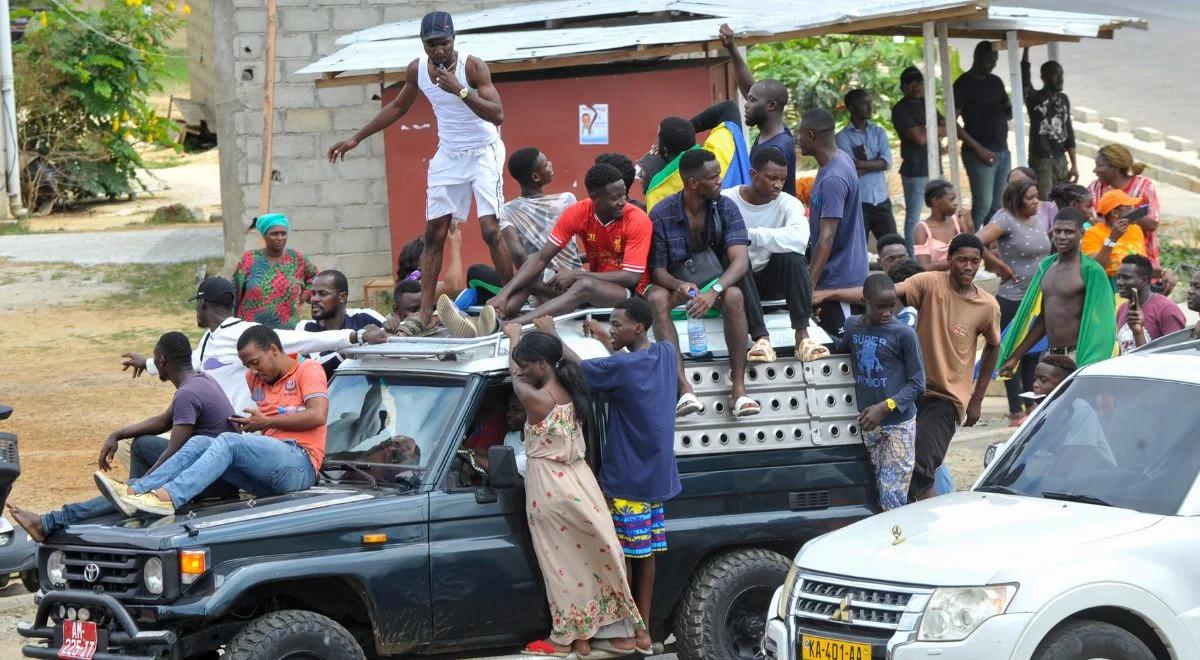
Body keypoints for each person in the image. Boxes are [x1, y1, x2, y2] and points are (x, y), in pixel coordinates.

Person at [328, 11, 510, 337]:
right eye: (431, 45)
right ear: (423, 44)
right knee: (434, 234)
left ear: (453, 40)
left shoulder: (472, 66)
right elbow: (398, 107)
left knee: (489, 229)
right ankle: (425, 314)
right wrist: (357, 137)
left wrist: (460, 90)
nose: (438, 51)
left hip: (484, 151)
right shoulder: (418, 70)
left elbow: (497, 114)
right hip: (448, 156)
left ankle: (511, 303)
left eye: (443, 43)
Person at [535, 298, 676, 651]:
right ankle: (642, 631)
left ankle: (632, 632)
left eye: (616, 324)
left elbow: (581, 370)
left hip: (627, 479)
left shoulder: (624, 368)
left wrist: (552, 337)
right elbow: (624, 369)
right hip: (656, 479)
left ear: (638, 328)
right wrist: (604, 339)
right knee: (645, 557)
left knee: (621, 558)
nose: (611, 329)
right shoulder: (666, 354)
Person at [501, 325, 649, 658]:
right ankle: (609, 633)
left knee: (561, 567)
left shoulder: (536, 399)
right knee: (596, 558)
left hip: (550, 487)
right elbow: (567, 360)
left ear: (542, 363)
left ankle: (564, 638)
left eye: (527, 363)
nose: (522, 369)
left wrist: (513, 337)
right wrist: (552, 335)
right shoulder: (575, 388)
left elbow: (514, 376)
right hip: (582, 482)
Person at [8, 333, 236, 541]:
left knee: (131, 489)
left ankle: (50, 521)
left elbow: (174, 451)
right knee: (142, 445)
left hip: (211, 479)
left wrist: (139, 487)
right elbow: (163, 422)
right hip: (216, 470)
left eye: (155, 357)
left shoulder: (188, 393)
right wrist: (116, 434)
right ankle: (136, 508)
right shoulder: (201, 381)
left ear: (162, 361)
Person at [97, 326, 329, 517]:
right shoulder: (254, 379)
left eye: (256, 362)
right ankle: (135, 490)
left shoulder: (308, 370)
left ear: (273, 350)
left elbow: (318, 415)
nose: (252, 370)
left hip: (301, 465)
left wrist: (266, 422)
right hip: (267, 476)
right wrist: (250, 424)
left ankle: (168, 497)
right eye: (247, 365)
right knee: (201, 441)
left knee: (228, 441)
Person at [121, 277, 387, 413]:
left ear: (202, 304)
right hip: (213, 430)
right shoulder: (207, 340)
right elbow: (188, 363)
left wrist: (357, 337)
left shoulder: (246, 333)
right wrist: (147, 363)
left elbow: (303, 341)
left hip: (243, 431)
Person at [646, 149, 757, 417]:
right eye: (714, 176)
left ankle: (739, 391)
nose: (720, 180)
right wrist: (677, 285)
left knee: (734, 296)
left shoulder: (726, 206)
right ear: (693, 183)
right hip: (681, 289)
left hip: (716, 285)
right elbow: (657, 270)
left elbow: (740, 261)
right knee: (656, 298)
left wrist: (714, 291)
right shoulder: (662, 213)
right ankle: (684, 390)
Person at [478, 164, 653, 332]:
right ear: (595, 198)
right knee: (533, 273)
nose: (623, 202)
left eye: (624, 195)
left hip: (627, 295)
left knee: (585, 285)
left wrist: (577, 274)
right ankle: (494, 315)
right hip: (591, 287)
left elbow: (631, 277)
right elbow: (541, 258)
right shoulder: (577, 212)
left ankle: (508, 326)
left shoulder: (637, 220)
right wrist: (504, 293)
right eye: (615, 198)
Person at [835, 273, 925, 510]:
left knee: (891, 495)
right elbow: (842, 351)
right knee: (876, 489)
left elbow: (917, 384)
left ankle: (896, 542)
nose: (887, 312)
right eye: (880, 307)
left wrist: (885, 407)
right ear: (864, 300)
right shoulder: (852, 325)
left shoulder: (904, 334)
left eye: (891, 306)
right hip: (869, 424)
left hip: (898, 424)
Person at [999, 208, 1118, 375]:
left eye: (1069, 232)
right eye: (1058, 231)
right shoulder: (1046, 267)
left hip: (1079, 357)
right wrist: (1015, 357)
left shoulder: (1091, 271)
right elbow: (1043, 320)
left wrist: (1092, 363)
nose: (1062, 236)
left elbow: (1104, 322)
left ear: (1081, 233)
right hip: (1051, 356)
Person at [721, 146, 813, 361]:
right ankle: (762, 339)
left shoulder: (788, 203)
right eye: (772, 178)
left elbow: (800, 239)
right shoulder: (727, 200)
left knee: (793, 257)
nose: (778, 185)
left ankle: (802, 335)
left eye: (782, 179)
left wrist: (750, 235)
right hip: (739, 283)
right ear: (754, 174)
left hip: (772, 281)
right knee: (737, 259)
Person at [977, 177, 1052, 425]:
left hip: (1038, 298)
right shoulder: (1005, 219)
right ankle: (1015, 410)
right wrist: (998, 264)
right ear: (1016, 199)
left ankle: (1030, 404)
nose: (1035, 202)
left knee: (1033, 353)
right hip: (1013, 298)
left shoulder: (1037, 217)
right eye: (1030, 198)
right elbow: (976, 241)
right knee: (1010, 352)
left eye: (1036, 196)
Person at [800, 108, 869, 338]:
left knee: (844, 347)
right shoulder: (837, 160)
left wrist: (809, 286)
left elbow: (827, 236)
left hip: (840, 281)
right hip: (834, 277)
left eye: (800, 134)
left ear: (811, 135)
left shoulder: (833, 178)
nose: (797, 140)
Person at [717, 23, 798, 196]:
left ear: (771, 106)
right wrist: (731, 47)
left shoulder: (777, 149)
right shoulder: (775, 130)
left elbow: (767, 197)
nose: (746, 103)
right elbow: (749, 88)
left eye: (751, 101)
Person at [495, 147, 582, 304]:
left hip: (539, 288)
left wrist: (536, 289)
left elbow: (518, 254)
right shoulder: (567, 200)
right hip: (574, 282)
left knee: (477, 273)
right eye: (546, 163)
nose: (550, 164)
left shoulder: (506, 211)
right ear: (535, 176)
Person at [642, 102, 750, 211]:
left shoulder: (656, 190)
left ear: (665, 151)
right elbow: (729, 107)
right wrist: (685, 130)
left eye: (658, 140)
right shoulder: (717, 154)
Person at [954, 41, 1012, 227]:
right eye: (989, 60)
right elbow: (951, 123)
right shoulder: (963, 84)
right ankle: (970, 247)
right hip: (977, 153)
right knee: (983, 205)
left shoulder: (995, 81)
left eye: (995, 60)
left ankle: (988, 249)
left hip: (1002, 150)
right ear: (977, 57)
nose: (992, 64)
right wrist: (979, 149)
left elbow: (1007, 109)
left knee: (997, 206)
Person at [891, 66, 945, 251]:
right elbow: (920, 139)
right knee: (914, 218)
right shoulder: (900, 109)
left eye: (919, 83)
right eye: (910, 84)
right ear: (903, 87)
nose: (916, 87)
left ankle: (938, 254)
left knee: (941, 213)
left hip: (936, 168)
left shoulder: (927, 103)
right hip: (915, 171)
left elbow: (947, 128)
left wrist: (925, 128)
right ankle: (913, 261)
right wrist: (931, 129)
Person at [232, 213, 318, 329]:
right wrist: (231, 323)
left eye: (283, 233)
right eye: (274, 234)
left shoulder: (297, 258)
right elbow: (234, 290)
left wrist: (304, 296)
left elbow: (317, 278)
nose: (280, 238)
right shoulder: (250, 259)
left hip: (286, 329)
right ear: (264, 235)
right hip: (250, 330)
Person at [297, 270, 387, 379]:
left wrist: (395, 327)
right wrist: (361, 340)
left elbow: (397, 338)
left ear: (342, 297)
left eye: (322, 294)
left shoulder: (366, 317)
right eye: (313, 293)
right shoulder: (305, 328)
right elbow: (316, 370)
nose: (313, 299)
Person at [1088, 143, 1162, 271]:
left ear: (1115, 168)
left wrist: (1125, 210)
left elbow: (1152, 224)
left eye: (1100, 165)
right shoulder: (1095, 188)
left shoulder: (1143, 186)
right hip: (1107, 267)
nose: (1095, 170)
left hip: (1141, 265)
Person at [836, 89, 896, 242]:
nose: (870, 107)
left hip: (882, 200)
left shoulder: (879, 132)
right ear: (851, 108)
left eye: (870, 103)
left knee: (892, 245)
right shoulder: (842, 137)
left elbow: (886, 162)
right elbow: (850, 169)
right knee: (857, 249)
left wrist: (861, 164)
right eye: (865, 104)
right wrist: (875, 163)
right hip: (859, 203)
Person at [1021, 48, 1078, 199]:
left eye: (1062, 75)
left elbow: (1069, 132)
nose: (1060, 79)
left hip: (1061, 159)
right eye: (1056, 75)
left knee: (1062, 200)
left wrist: (1074, 164)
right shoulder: (1034, 98)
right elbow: (1024, 79)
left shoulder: (1064, 99)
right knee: (1045, 202)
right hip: (1042, 161)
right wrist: (1026, 48)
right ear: (1044, 77)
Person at [1115, 254, 1185, 353]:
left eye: (1126, 278)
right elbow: (1123, 350)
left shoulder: (1167, 309)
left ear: (1144, 280)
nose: (1119, 282)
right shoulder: (1122, 309)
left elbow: (1175, 355)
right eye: (1118, 277)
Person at [1082, 189, 1147, 278]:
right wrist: (1112, 240)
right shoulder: (1093, 233)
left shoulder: (1135, 229)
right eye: (1129, 208)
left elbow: (1144, 265)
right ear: (1115, 212)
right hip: (1108, 287)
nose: (1134, 210)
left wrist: (1163, 272)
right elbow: (1094, 269)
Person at [913, 179, 974, 272]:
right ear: (935, 201)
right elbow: (924, 267)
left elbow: (973, 251)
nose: (955, 203)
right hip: (935, 282)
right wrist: (958, 261)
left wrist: (969, 223)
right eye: (951, 199)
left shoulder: (956, 222)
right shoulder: (922, 229)